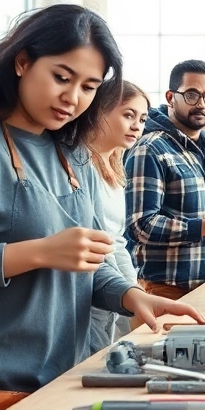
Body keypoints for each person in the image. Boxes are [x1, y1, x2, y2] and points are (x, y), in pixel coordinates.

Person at [0, 5, 205, 404]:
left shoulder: (72, 153)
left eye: (89, 87)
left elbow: (87, 262)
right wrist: (38, 252)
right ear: (22, 62)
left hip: (54, 387)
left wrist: (129, 296)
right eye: (61, 77)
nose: (72, 98)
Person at [126, 60, 205, 299]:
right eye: (192, 95)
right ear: (171, 97)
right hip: (167, 291)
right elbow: (140, 226)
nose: (201, 104)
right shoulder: (150, 149)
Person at [88, 81, 151, 352]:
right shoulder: (81, 166)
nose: (137, 126)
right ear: (99, 111)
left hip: (112, 291)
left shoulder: (115, 170)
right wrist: (127, 293)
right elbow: (99, 243)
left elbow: (117, 241)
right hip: (91, 293)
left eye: (142, 119)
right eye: (128, 115)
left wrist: (134, 291)